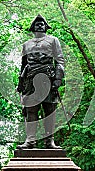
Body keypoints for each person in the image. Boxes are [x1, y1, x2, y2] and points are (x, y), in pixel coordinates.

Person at [16, 14, 65, 149]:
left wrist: (58, 78)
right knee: (31, 110)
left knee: (49, 109)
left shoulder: (53, 40)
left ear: (46, 27)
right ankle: (30, 140)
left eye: (42, 23)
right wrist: (21, 82)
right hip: (30, 79)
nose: (40, 24)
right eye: (37, 23)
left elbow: (59, 60)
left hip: (47, 78)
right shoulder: (26, 44)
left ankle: (49, 141)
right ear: (32, 27)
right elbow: (23, 64)